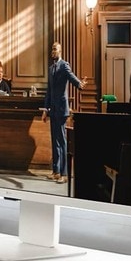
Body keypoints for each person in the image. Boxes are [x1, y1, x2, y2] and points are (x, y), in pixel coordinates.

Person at [42, 42, 86, 184]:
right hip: (53, 110)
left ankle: (64, 174)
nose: (52, 51)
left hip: (61, 109)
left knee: (62, 141)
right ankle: (56, 171)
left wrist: (79, 84)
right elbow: (49, 91)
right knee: (54, 141)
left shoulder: (64, 65)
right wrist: (45, 110)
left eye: (55, 49)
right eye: (52, 49)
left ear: (60, 51)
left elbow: (72, 77)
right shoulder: (50, 69)